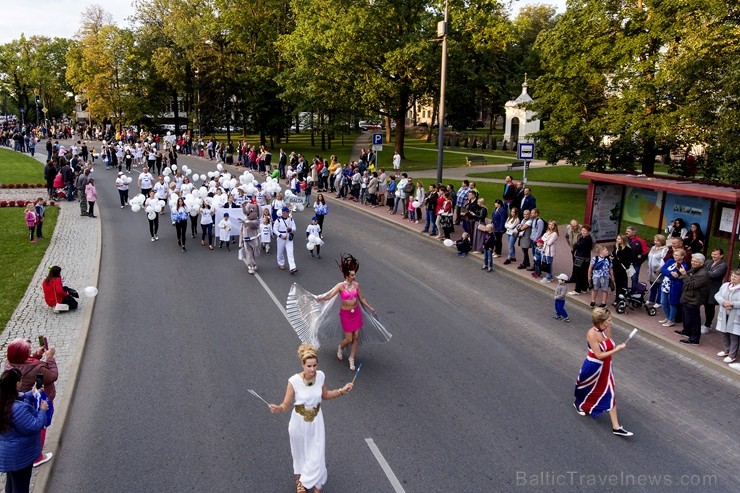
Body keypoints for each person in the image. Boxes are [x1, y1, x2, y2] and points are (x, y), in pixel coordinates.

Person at [268, 344, 353, 493]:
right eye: (309, 366)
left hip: (316, 422)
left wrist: (342, 390)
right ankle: (301, 482)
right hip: (298, 423)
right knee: (300, 453)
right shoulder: (293, 381)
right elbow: (286, 403)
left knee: (317, 453)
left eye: (314, 365)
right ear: (302, 364)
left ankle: (316, 481)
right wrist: (279, 408)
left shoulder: (320, 376)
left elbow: (325, 396)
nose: (312, 369)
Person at [573, 308, 633, 437]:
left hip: (606, 366)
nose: (611, 322)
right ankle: (579, 404)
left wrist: (615, 350)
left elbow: (608, 345)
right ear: (601, 321)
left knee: (609, 392)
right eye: (609, 320)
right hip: (594, 366)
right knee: (586, 387)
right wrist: (617, 350)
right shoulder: (591, 333)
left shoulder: (607, 329)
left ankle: (616, 427)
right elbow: (599, 355)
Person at [315, 254, 376, 371]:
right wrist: (320, 298)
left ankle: (351, 358)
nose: (354, 276)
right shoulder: (340, 286)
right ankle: (340, 347)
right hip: (346, 315)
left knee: (356, 337)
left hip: (356, 313)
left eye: (354, 274)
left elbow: (362, 299)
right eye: (352, 275)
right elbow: (329, 296)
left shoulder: (357, 285)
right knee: (349, 339)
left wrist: (370, 307)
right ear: (347, 274)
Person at [4, 338, 57, 468]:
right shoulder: (38, 369)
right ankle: (37, 456)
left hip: (26, 396)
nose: (30, 352)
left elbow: (25, 363)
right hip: (38, 398)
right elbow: (53, 376)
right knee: (42, 424)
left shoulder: (9, 364)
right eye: (28, 351)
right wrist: (50, 358)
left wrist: (37, 355)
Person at [0, 368, 49, 492]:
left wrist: (32, 393)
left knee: (11, 485)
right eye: (20, 380)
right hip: (20, 456)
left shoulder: (4, 400)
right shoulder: (17, 409)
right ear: (16, 384)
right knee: (20, 488)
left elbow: (18, 399)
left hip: (8, 454)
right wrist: (42, 410)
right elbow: (35, 425)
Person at [675, 253, 710, 345]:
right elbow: (683, 277)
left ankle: (694, 339)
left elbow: (691, 285)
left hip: (694, 299)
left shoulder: (703, 274)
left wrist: (684, 274)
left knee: (694, 319)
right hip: (687, 297)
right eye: (692, 260)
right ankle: (687, 331)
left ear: (701, 263)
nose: (693, 263)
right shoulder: (695, 269)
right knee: (686, 316)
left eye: (695, 261)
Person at [715, 269, 740, 365]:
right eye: (732, 276)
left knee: (734, 335)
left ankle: (732, 355)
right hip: (724, 312)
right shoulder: (725, 286)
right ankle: (726, 350)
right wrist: (723, 302)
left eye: (736, 276)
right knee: (724, 332)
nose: (733, 278)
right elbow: (717, 295)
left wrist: (732, 304)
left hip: (736, 315)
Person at [659, 248, 688, 327]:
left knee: (672, 303)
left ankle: (671, 320)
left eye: (677, 255)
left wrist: (669, 274)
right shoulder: (670, 261)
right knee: (663, 302)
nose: (675, 256)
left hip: (674, 287)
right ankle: (667, 317)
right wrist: (670, 273)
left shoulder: (683, 266)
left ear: (682, 256)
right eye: (674, 254)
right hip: (665, 285)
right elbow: (662, 269)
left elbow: (676, 277)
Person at [703, 248, 727, 334]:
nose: (714, 256)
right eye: (713, 254)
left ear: (721, 255)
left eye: (716, 254)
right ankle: (707, 323)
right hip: (705, 287)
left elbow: (714, 275)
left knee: (710, 306)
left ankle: (707, 325)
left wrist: (703, 271)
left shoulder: (723, 265)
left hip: (714, 288)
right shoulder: (708, 262)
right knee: (705, 305)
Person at [273, 207, 298, 274]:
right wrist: (280, 235)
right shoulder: (278, 220)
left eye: (288, 212)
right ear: (283, 213)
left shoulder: (291, 219)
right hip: (281, 237)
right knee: (280, 251)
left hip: (289, 237)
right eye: (287, 212)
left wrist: (290, 229)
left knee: (290, 252)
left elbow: (294, 228)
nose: (288, 213)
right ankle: (281, 263)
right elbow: (274, 230)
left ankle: (292, 267)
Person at [646, 234, 668, 307]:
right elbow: (649, 257)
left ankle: (659, 302)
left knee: (659, 286)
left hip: (658, 271)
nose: (655, 242)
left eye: (658, 241)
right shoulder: (653, 248)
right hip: (651, 270)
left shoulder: (664, 249)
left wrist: (659, 269)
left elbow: (663, 261)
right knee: (652, 285)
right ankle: (651, 300)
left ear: (662, 241)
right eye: (655, 240)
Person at [239, 202, 260, 274]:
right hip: (246, 239)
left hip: (254, 239)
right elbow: (241, 231)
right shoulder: (245, 220)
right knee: (249, 253)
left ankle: (253, 263)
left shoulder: (256, 221)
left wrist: (246, 223)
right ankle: (251, 265)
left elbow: (254, 225)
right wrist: (241, 241)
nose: (248, 213)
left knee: (254, 253)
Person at [625, 226, 648, 290]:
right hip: (625, 262)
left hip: (635, 263)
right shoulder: (624, 239)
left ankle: (634, 291)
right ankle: (624, 290)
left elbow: (645, 252)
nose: (626, 232)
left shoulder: (640, 241)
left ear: (634, 232)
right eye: (626, 231)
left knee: (634, 277)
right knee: (624, 277)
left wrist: (640, 257)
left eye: (628, 231)